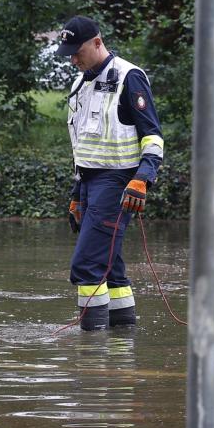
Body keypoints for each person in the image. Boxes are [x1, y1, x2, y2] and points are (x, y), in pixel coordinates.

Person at [55, 16, 163, 331]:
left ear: (98, 42)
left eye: (78, 52)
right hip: (89, 183)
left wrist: (143, 177)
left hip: (119, 181)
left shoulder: (130, 77)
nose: (74, 59)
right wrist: (77, 194)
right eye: (69, 54)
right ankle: (121, 343)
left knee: (86, 265)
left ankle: (90, 355)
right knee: (110, 266)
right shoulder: (78, 84)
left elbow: (153, 136)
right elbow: (82, 145)